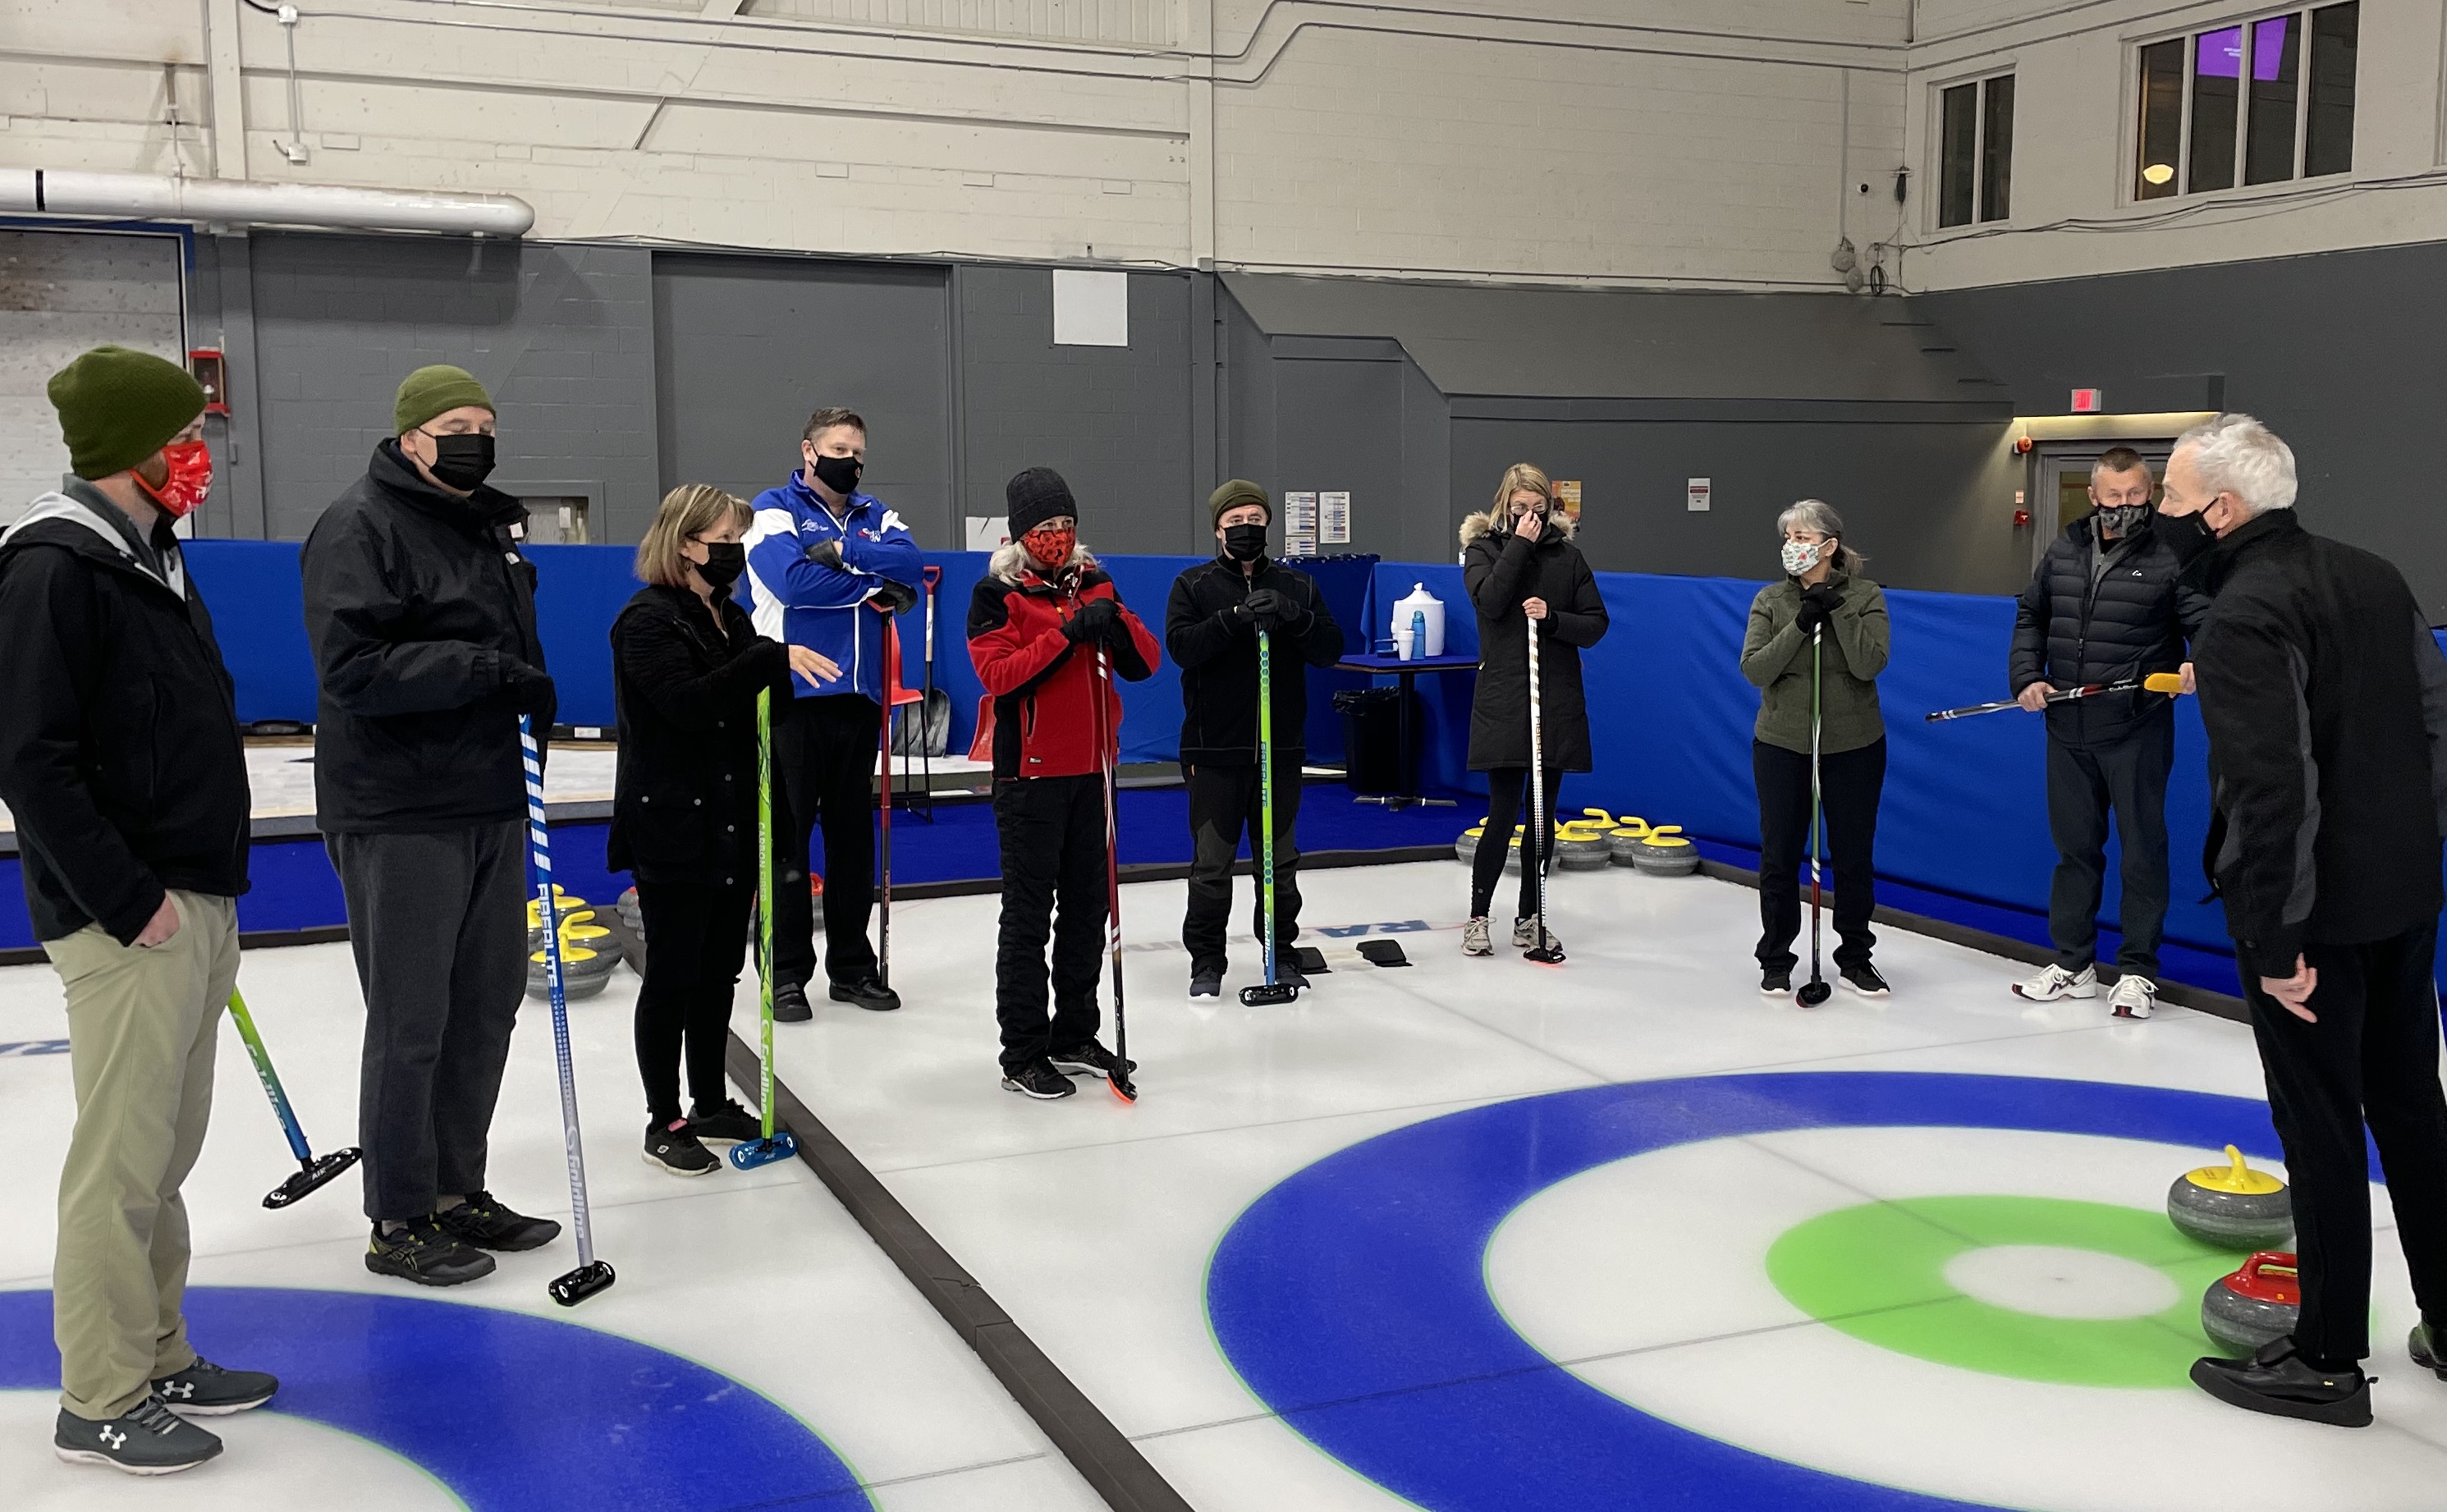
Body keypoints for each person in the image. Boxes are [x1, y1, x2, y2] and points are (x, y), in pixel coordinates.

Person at [0, 346, 276, 1473]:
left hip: (194, 896)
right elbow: (30, 758)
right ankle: (99, 1394)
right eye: (183, 433)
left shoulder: (151, 557)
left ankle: (159, 1348)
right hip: (131, 918)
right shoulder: (51, 568)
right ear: (131, 446)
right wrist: (131, 901)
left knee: (165, 1154)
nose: (197, 452)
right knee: (116, 1167)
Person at [2162, 414, 2447, 1428]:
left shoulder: (2241, 614)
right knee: (2412, 1111)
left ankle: (2324, 1356)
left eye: (2170, 498)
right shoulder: (2376, 576)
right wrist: (2415, 861)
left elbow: (2271, 787)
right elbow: (2430, 727)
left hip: (2311, 924)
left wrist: (2277, 941)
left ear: (2222, 511)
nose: (2160, 514)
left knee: (2319, 1125)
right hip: (2403, 899)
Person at [301, 364, 563, 1288]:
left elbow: (505, 649)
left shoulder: (486, 524)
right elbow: (352, 668)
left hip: (487, 794)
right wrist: (481, 670)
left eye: (486, 423)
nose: (475, 437)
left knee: (485, 1007)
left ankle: (458, 1189)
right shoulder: (359, 525)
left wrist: (528, 691)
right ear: (411, 435)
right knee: (411, 1019)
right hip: (399, 804)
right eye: (456, 423)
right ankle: (399, 1214)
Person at [609, 485, 841, 1175]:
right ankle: (664, 1117)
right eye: (724, 539)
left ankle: (709, 1099)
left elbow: (754, 708)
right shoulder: (647, 622)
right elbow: (688, 705)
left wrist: (779, 670)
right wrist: (769, 659)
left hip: (732, 820)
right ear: (685, 543)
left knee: (718, 973)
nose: (733, 552)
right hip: (673, 821)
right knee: (674, 975)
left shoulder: (729, 619)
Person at [966, 468, 1159, 1098]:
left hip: (1095, 771)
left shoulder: (1094, 580)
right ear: (1021, 533)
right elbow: (1000, 677)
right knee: (1028, 916)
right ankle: (1021, 1051)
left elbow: (1145, 662)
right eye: (1044, 528)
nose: (1056, 536)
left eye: (1065, 526)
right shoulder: (996, 594)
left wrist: (1113, 621)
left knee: (1088, 909)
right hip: (1031, 776)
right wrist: (1065, 633)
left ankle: (1074, 1031)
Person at [2007, 447, 2207, 1019]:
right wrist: (2025, 675)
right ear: (2093, 497)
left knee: (2142, 851)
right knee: (2074, 851)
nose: (2123, 506)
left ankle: (2138, 972)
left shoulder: (2173, 554)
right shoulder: (2063, 549)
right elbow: (2031, 617)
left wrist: (2201, 661)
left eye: (2135, 496)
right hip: (2066, 727)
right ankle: (2072, 965)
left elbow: (2206, 623)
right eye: (2112, 497)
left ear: (2150, 495)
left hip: (2136, 728)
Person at [742, 407, 923, 1019]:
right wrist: (872, 585)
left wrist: (841, 552)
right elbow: (792, 583)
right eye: (840, 448)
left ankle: (852, 968)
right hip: (792, 693)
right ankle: (786, 973)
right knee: (787, 843)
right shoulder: (771, 508)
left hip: (860, 698)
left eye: (860, 452)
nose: (852, 459)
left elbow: (911, 568)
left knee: (852, 843)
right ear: (810, 451)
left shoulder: (878, 516)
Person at [1164, 479, 1344, 997]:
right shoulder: (1193, 586)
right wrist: (1234, 619)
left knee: (1279, 864)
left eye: (1256, 521)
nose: (1247, 530)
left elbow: (1330, 648)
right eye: (1236, 522)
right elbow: (1182, 647)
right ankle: (1207, 960)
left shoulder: (1299, 585)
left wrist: (1293, 616)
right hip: (1214, 749)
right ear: (1219, 529)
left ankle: (1281, 952)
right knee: (1213, 864)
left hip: (1279, 749)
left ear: (1269, 525)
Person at [1740, 499, 1891, 997]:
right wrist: (1801, 624)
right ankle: (1777, 957)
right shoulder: (1770, 600)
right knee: (1779, 854)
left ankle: (1854, 956)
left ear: (1830, 546)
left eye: (1804, 538)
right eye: (1789, 538)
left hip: (1853, 745)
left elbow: (1870, 664)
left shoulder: (1867, 595)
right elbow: (1757, 669)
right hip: (1783, 744)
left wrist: (1838, 609)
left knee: (1852, 856)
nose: (1794, 547)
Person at [1459, 463, 1608, 957]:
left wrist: (1553, 618)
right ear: (1504, 506)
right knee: (1501, 813)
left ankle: (1531, 916)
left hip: (1555, 698)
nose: (1529, 517)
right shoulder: (1482, 550)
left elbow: (1594, 624)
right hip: (1505, 697)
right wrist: (1519, 546)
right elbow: (1492, 600)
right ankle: (1479, 917)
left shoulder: (1568, 558)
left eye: (1538, 510)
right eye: (1520, 509)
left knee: (1542, 815)